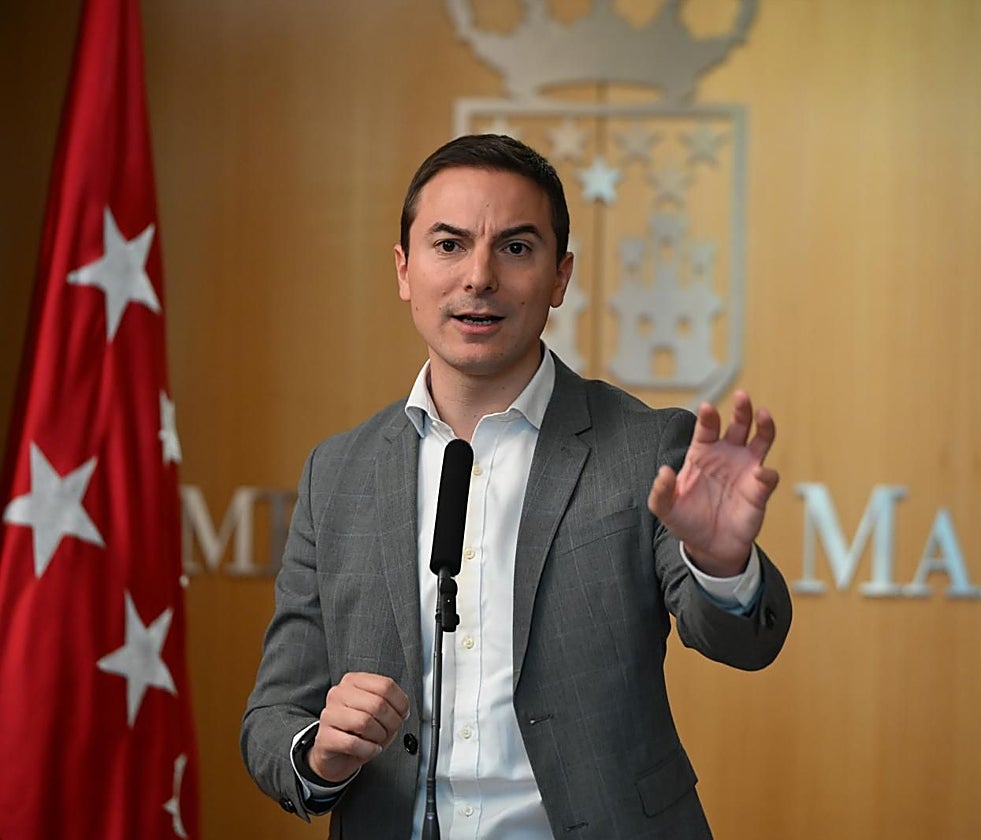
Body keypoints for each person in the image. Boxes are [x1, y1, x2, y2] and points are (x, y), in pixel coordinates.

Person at [241, 134, 792, 839]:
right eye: (449, 245)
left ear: (560, 277)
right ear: (404, 270)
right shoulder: (339, 473)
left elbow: (745, 644)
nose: (479, 277)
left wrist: (720, 567)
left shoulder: (644, 449)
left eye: (516, 248)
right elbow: (272, 719)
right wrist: (321, 752)